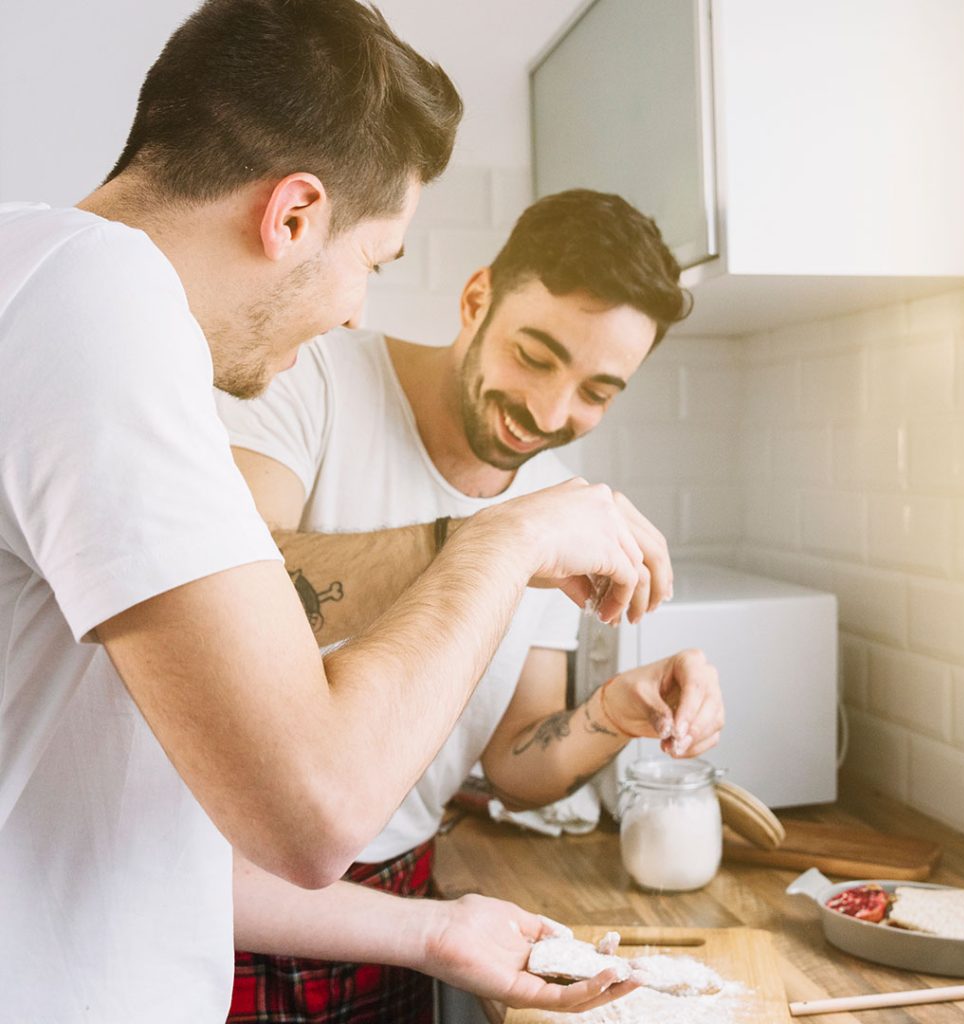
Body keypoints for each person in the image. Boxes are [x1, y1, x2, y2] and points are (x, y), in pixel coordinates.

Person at [0, 3, 682, 1020]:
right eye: (374, 260)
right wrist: (510, 535)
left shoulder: (41, 273)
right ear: (293, 216)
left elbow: (146, 833)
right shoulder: (104, 305)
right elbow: (312, 811)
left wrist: (433, 932)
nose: (358, 308)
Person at [216, 189, 725, 1022]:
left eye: (598, 390)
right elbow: (233, 607)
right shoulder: (310, 378)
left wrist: (611, 713)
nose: (550, 412)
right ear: (477, 298)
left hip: (399, 904)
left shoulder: (559, 502)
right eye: (535, 355)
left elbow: (517, 765)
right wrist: (495, 539)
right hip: (228, 898)